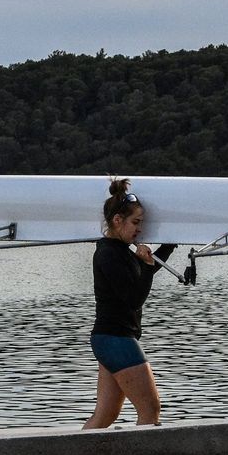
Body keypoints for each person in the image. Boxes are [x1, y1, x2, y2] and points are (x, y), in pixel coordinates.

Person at [83, 178, 175, 429]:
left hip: (108, 339)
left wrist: (169, 244)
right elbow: (134, 298)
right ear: (117, 221)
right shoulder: (109, 255)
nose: (139, 230)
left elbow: (142, 275)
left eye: (141, 223)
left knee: (105, 415)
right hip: (117, 339)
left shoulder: (117, 249)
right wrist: (145, 268)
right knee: (150, 412)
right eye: (135, 223)